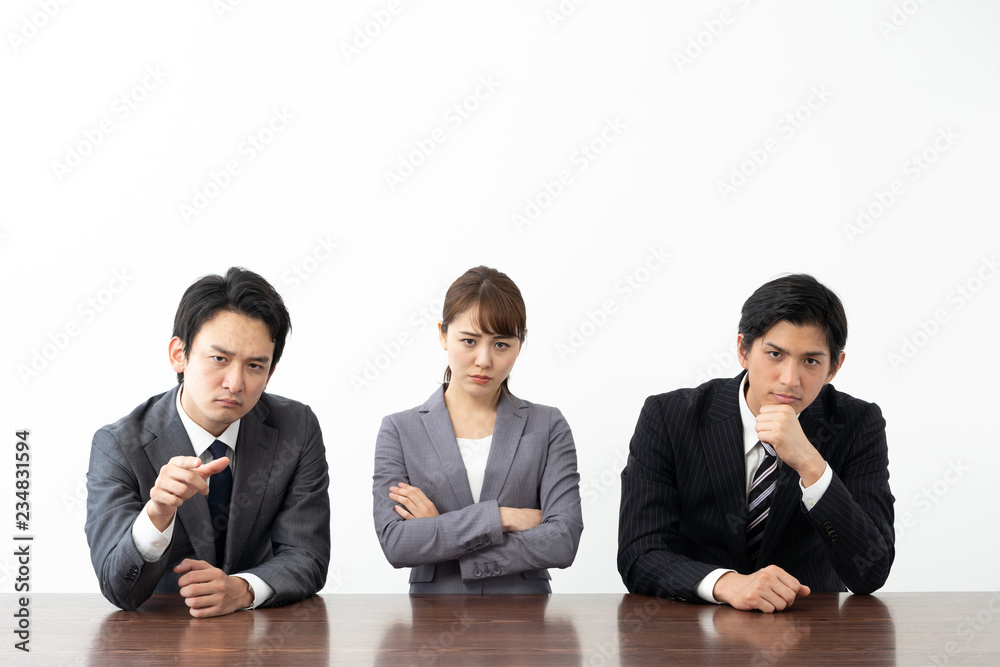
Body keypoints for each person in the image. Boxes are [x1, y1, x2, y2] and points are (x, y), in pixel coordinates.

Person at [618, 274, 894, 613]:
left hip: (810, 633)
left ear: (834, 368)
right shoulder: (669, 416)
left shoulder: (857, 424)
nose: (790, 380)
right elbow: (639, 555)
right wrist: (727, 583)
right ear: (743, 350)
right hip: (694, 632)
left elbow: (872, 573)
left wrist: (811, 464)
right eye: (775, 354)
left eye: (811, 361)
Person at [85, 267, 330, 616]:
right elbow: (119, 588)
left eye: (255, 366)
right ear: (178, 355)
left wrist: (243, 589)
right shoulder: (118, 445)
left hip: (261, 641)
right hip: (161, 642)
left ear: (270, 372)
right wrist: (157, 514)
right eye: (219, 359)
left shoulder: (297, 427)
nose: (235, 382)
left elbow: (308, 556)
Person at [372, 266, 584, 593]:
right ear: (443, 334)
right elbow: (397, 544)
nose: (484, 360)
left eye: (501, 345)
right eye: (469, 341)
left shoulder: (548, 425)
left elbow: (562, 540)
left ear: (521, 342)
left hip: (527, 625)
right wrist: (501, 518)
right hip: (432, 623)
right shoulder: (400, 430)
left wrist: (439, 532)